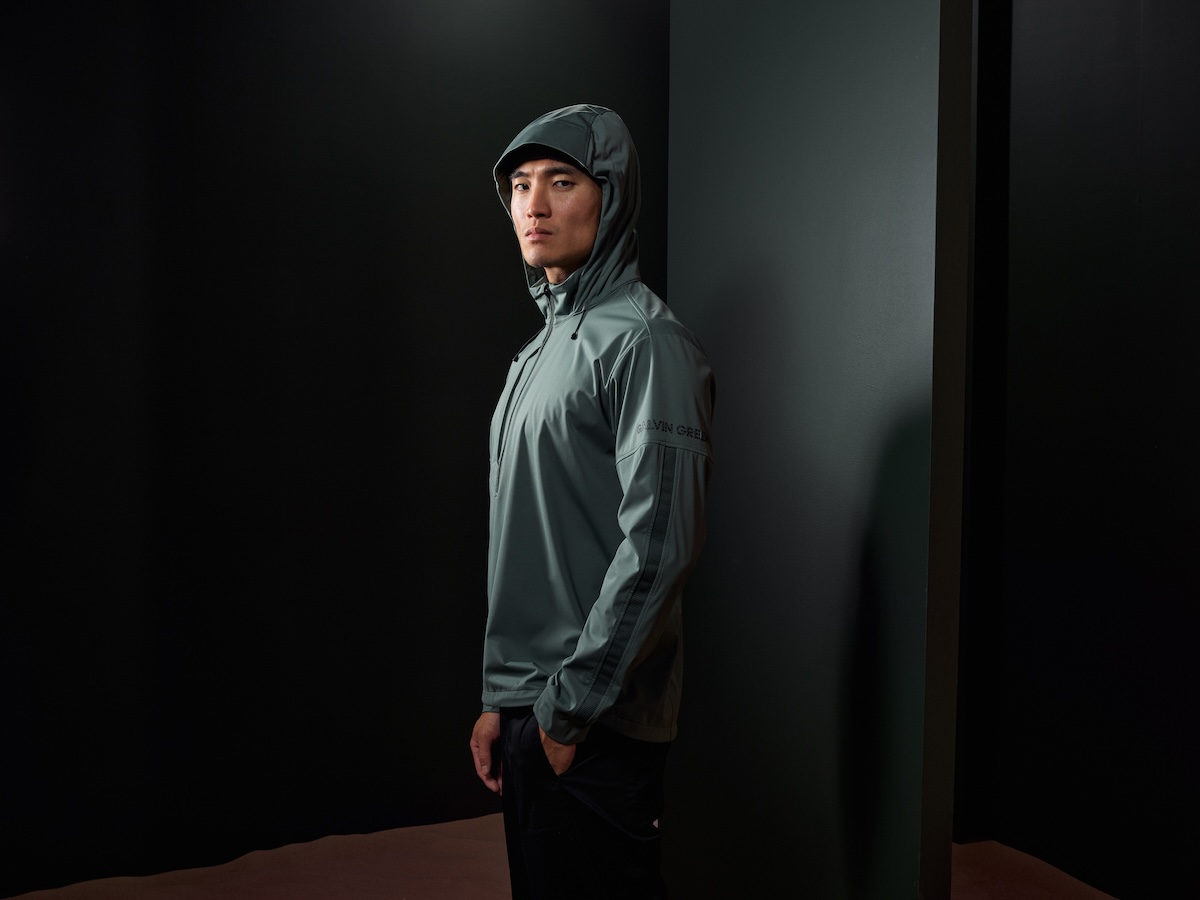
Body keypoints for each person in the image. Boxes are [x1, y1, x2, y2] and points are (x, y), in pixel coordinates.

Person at [469, 104, 714, 900]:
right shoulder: (536, 354)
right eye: (519, 185)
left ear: (610, 196)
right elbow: (528, 544)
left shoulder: (646, 341)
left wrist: (566, 711)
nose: (534, 205)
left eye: (562, 182)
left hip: (595, 722)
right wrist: (502, 700)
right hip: (534, 711)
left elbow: (660, 544)